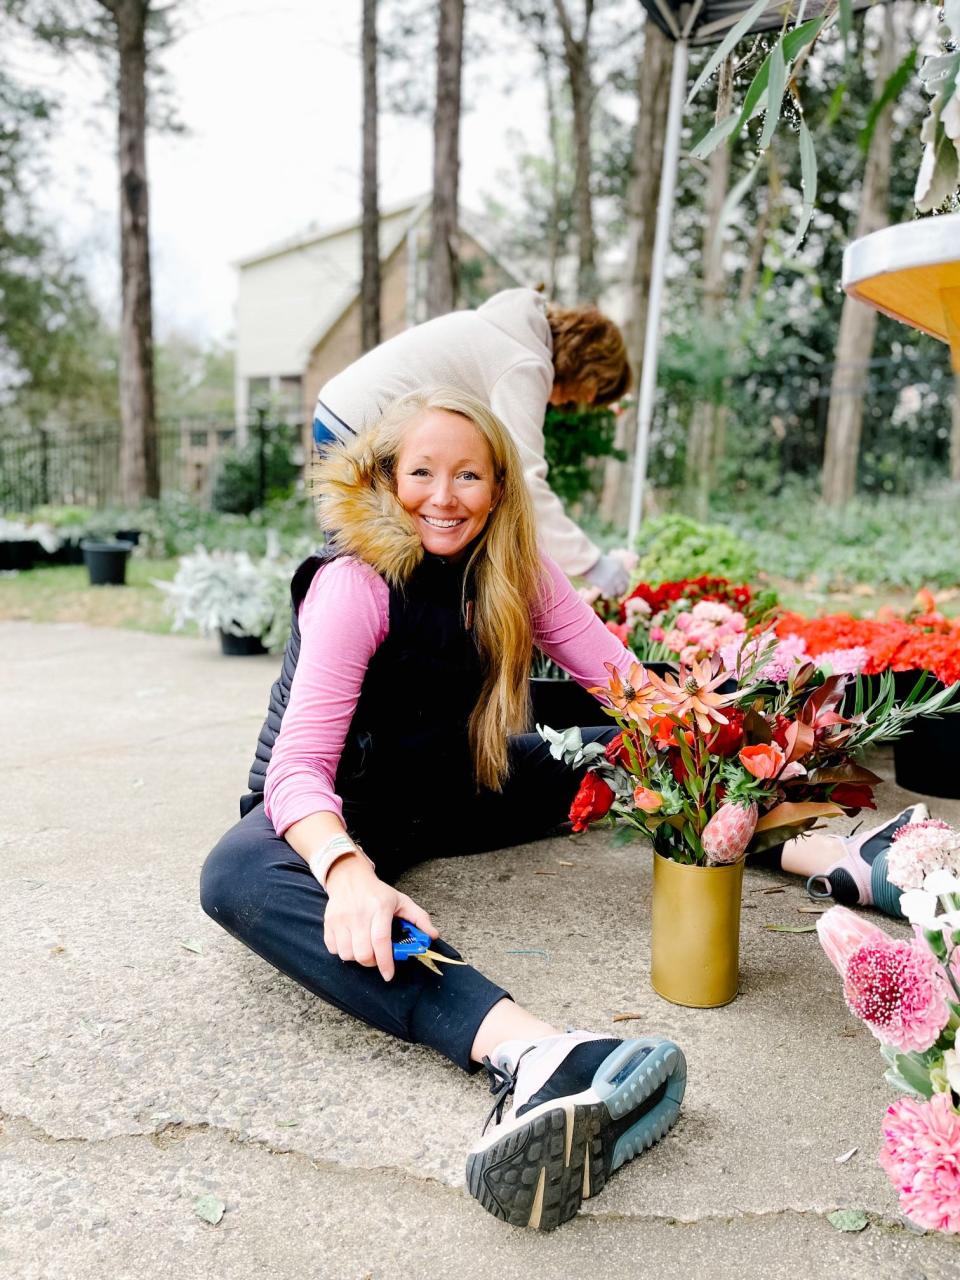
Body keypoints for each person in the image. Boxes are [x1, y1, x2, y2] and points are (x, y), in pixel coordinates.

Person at [200, 386, 686, 1233]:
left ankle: (843, 858)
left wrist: (720, 739)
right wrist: (348, 874)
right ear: (388, 478)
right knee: (234, 872)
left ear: (498, 487)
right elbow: (296, 774)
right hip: (338, 812)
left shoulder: (516, 573)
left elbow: (622, 685)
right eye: (422, 472)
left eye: (469, 475)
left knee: (630, 750)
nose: (443, 495)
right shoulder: (353, 583)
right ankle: (537, 1055)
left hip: (454, 789)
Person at [311, 287, 632, 598]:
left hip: (339, 412)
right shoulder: (524, 363)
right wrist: (591, 563)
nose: (566, 405)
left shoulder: (507, 328)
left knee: (356, 564)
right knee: (371, 574)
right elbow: (525, 480)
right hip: (360, 426)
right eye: (583, 396)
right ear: (586, 368)